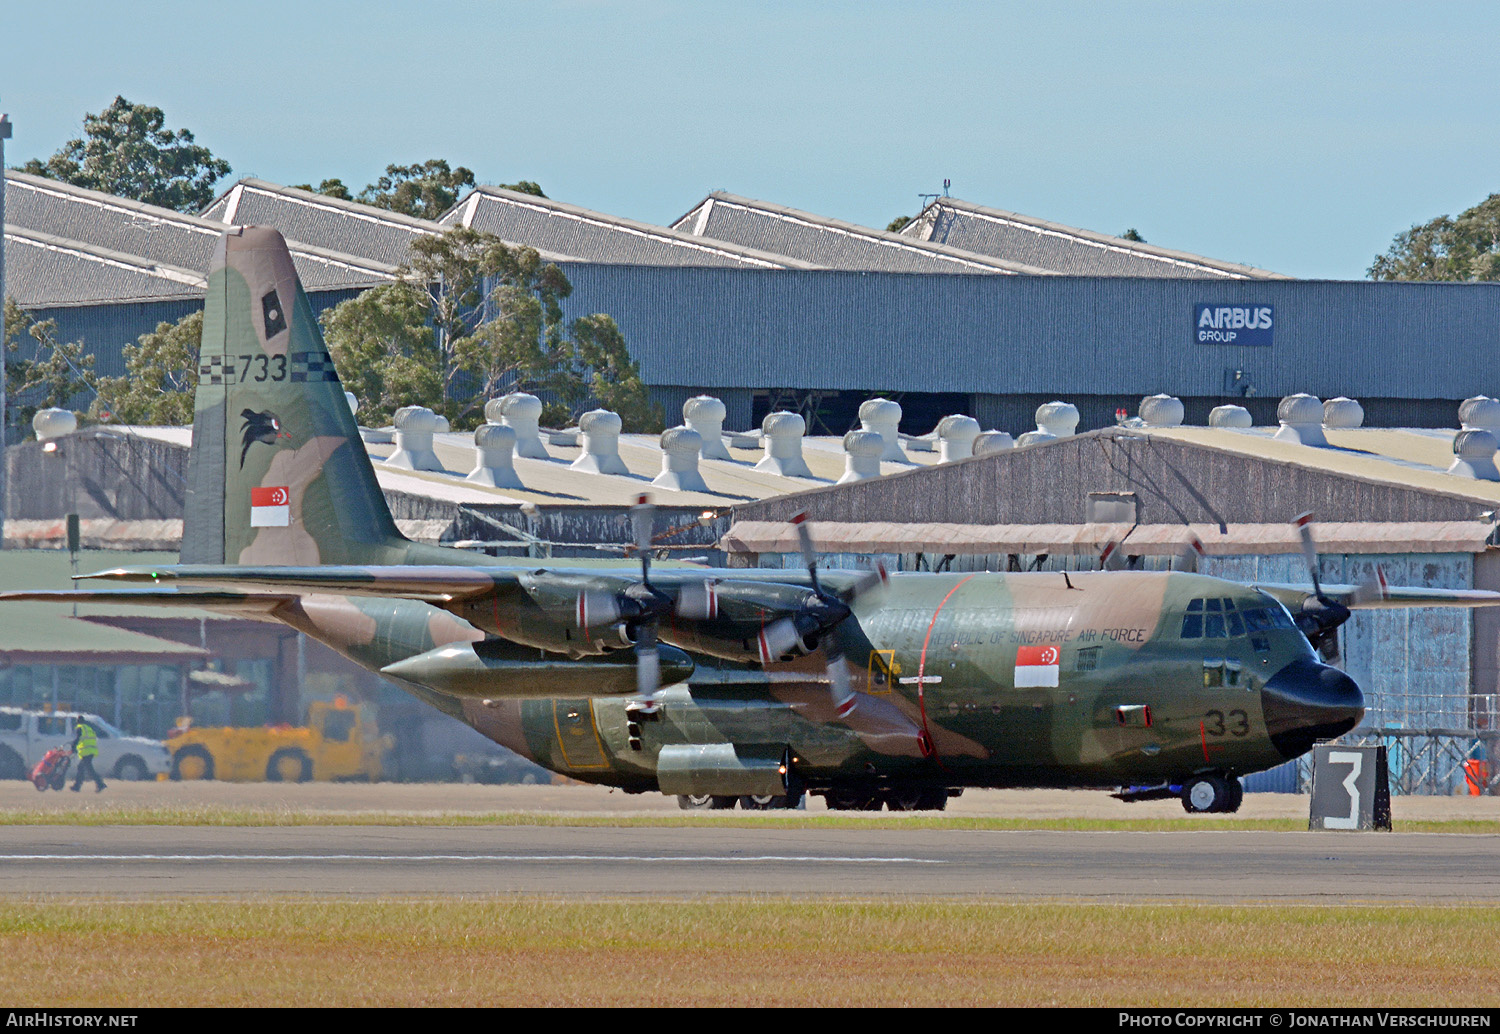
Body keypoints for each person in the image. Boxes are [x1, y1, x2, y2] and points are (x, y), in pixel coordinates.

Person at [70, 716, 106, 793]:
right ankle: (77, 786)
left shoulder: (80, 728)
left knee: (89, 769)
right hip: (91, 750)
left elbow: (78, 738)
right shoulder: (88, 728)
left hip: (86, 751)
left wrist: (73, 746)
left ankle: (100, 784)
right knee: (81, 768)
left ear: (78, 722)